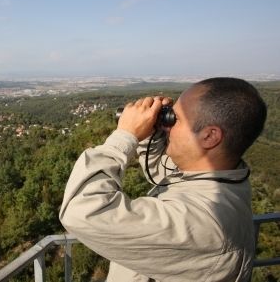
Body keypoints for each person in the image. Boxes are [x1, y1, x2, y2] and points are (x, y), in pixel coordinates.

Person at [59, 77, 267, 282]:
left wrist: (124, 136)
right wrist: (153, 133)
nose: (168, 124)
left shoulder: (205, 222)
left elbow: (80, 210)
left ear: (209, 136)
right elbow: (166, 173)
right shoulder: (224, 178)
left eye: (175, 119)